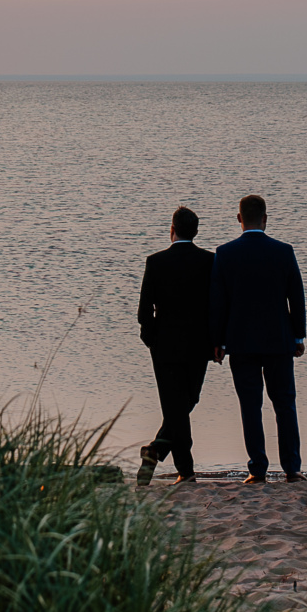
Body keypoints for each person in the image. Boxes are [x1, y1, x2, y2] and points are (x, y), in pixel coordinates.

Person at [208, 193, 307, 481]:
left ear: (239, 218)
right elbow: (296, 297)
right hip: (279, 341)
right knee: (284, 403)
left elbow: (218, 302)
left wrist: (219, 342)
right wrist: (298, 336)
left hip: (241, 343)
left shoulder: (225, 253)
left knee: (251, 405)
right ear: (265, 218)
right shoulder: (284, 251)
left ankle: (258, 468)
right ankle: (292, 468)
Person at [134, 205, 215, 485]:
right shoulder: (210, 261)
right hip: (199, 346)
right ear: (196, 231)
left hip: (164, 348)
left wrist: (151, 339)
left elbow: (144, 312)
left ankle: (158, 452)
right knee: (186, 402)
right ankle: (184, 469)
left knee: (176, 407)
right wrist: (217, 341)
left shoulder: (155, 262)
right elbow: (215, 307)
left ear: (172, 230)